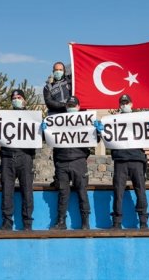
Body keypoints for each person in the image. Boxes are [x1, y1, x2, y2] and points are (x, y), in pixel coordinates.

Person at [95, 94, 149, 229]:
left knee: (140, 191)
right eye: (122, 103)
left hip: (137, 159)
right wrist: (100, 131)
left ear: (131, 104)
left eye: (126, 102)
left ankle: (143, 221)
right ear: (119, 105)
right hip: (120, 160)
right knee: (118, 192)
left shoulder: (140, 118)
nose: (124, 105)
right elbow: (107, 136)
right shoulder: (113, 120)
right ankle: (117, 222)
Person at [48, 96, 91, 230]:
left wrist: (98, 130)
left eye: (73, 105)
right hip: (62, 162)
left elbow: (96, 138)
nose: (71, 108)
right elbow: (48, 139)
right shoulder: (58, 121)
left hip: (78, 161)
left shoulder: (86, 122)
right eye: (68, 105)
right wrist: (44, 130)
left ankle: (85, 222)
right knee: (63, 194)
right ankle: (61, 222)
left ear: (78, 107)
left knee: (82, 192)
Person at [0, 89, 36, 231]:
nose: (16, 99)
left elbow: (40, 136)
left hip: (25, 157)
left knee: (27, 191)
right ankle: (7, 222)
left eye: (19, 97)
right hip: (7, 157)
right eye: (14, 98)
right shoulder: (4, 117)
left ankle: (27, 223)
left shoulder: (32, 117)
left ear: (24, 100)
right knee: (7, 192)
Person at [43, 61, 71, 187]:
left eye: (60, 69)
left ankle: (76, 175)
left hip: (72, 120)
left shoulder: (71, 82)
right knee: (58, 148)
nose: (58, 71)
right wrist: (65, 106)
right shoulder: (48, 87)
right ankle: (58, 177)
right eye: (56, 69)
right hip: (57, 121)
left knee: (75, 146)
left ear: (64, 71)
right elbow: (49, 102)